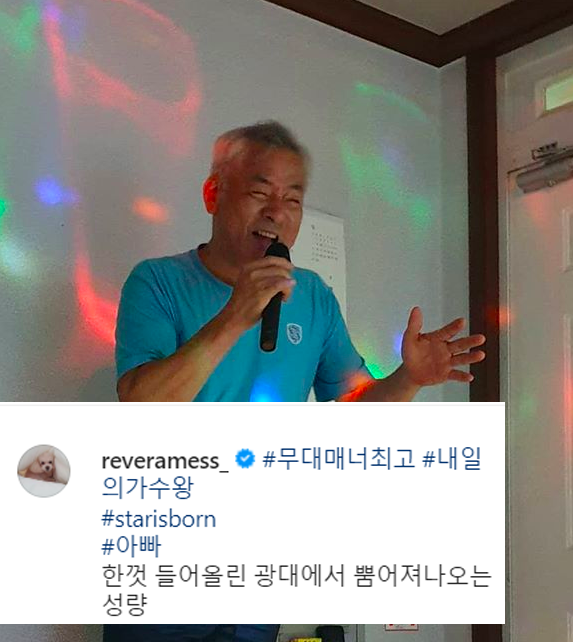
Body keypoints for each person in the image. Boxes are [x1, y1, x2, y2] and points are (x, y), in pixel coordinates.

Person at [105, 121, 486, 642]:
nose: (276, 212)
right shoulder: (158, 282)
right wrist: (236, 314)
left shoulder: (313, 297)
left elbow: (354, 410)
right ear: (213, 195)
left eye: (293, 199)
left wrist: (409, 378)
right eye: (259, 192)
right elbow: (141, 404)